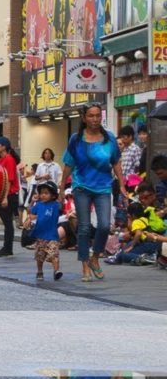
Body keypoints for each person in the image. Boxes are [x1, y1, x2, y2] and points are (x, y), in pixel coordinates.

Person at [60, 103, 125, 282]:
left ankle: (95, 258)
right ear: (84, 118)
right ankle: (84, 267)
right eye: (91, 116)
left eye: (97, 116)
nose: (95, 119)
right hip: (81, 186)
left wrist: (122, 185)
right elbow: (68, 164)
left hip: (103, 186)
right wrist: (60, 189)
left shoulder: (109, 138)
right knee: (84, 227)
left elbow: (116, 162)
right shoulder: (76, 139)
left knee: (104, 225)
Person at [27, 181, 63, 281]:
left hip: (52, 236)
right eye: (41, 193)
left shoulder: (55, 205)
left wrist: (61, 189)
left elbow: (61, 201)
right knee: (40, 256)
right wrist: (32, 201)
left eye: (46, 193)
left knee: (54, 254)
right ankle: (39, 271)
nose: (43, 195)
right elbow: (30, 211)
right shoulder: (38, 205)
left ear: (53, 195)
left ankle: (56, 271)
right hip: (40, 236)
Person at [0, 136, 20, 257]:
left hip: (9, 195)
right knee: (6, 223)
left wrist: (5, 197)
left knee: (8, 223)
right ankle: (6, 247)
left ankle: (7, 248)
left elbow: (9, 180)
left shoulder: (9, 159)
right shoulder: (1, 160)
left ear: (3, 147)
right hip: (4, 195)